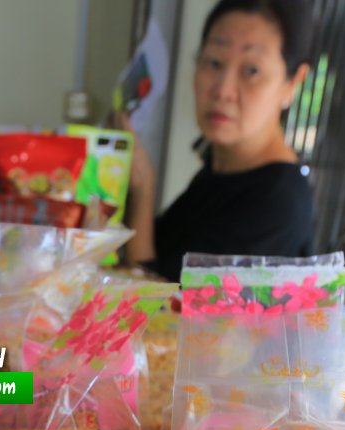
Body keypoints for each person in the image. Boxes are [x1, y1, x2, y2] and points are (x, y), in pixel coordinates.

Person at [123, 0, 316, 282]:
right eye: (214, 62)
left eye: (251, 71)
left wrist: (143, 187)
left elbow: (161, 306)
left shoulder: (277, 201)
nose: (223, 90)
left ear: (293, 83)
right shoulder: (222, 169)